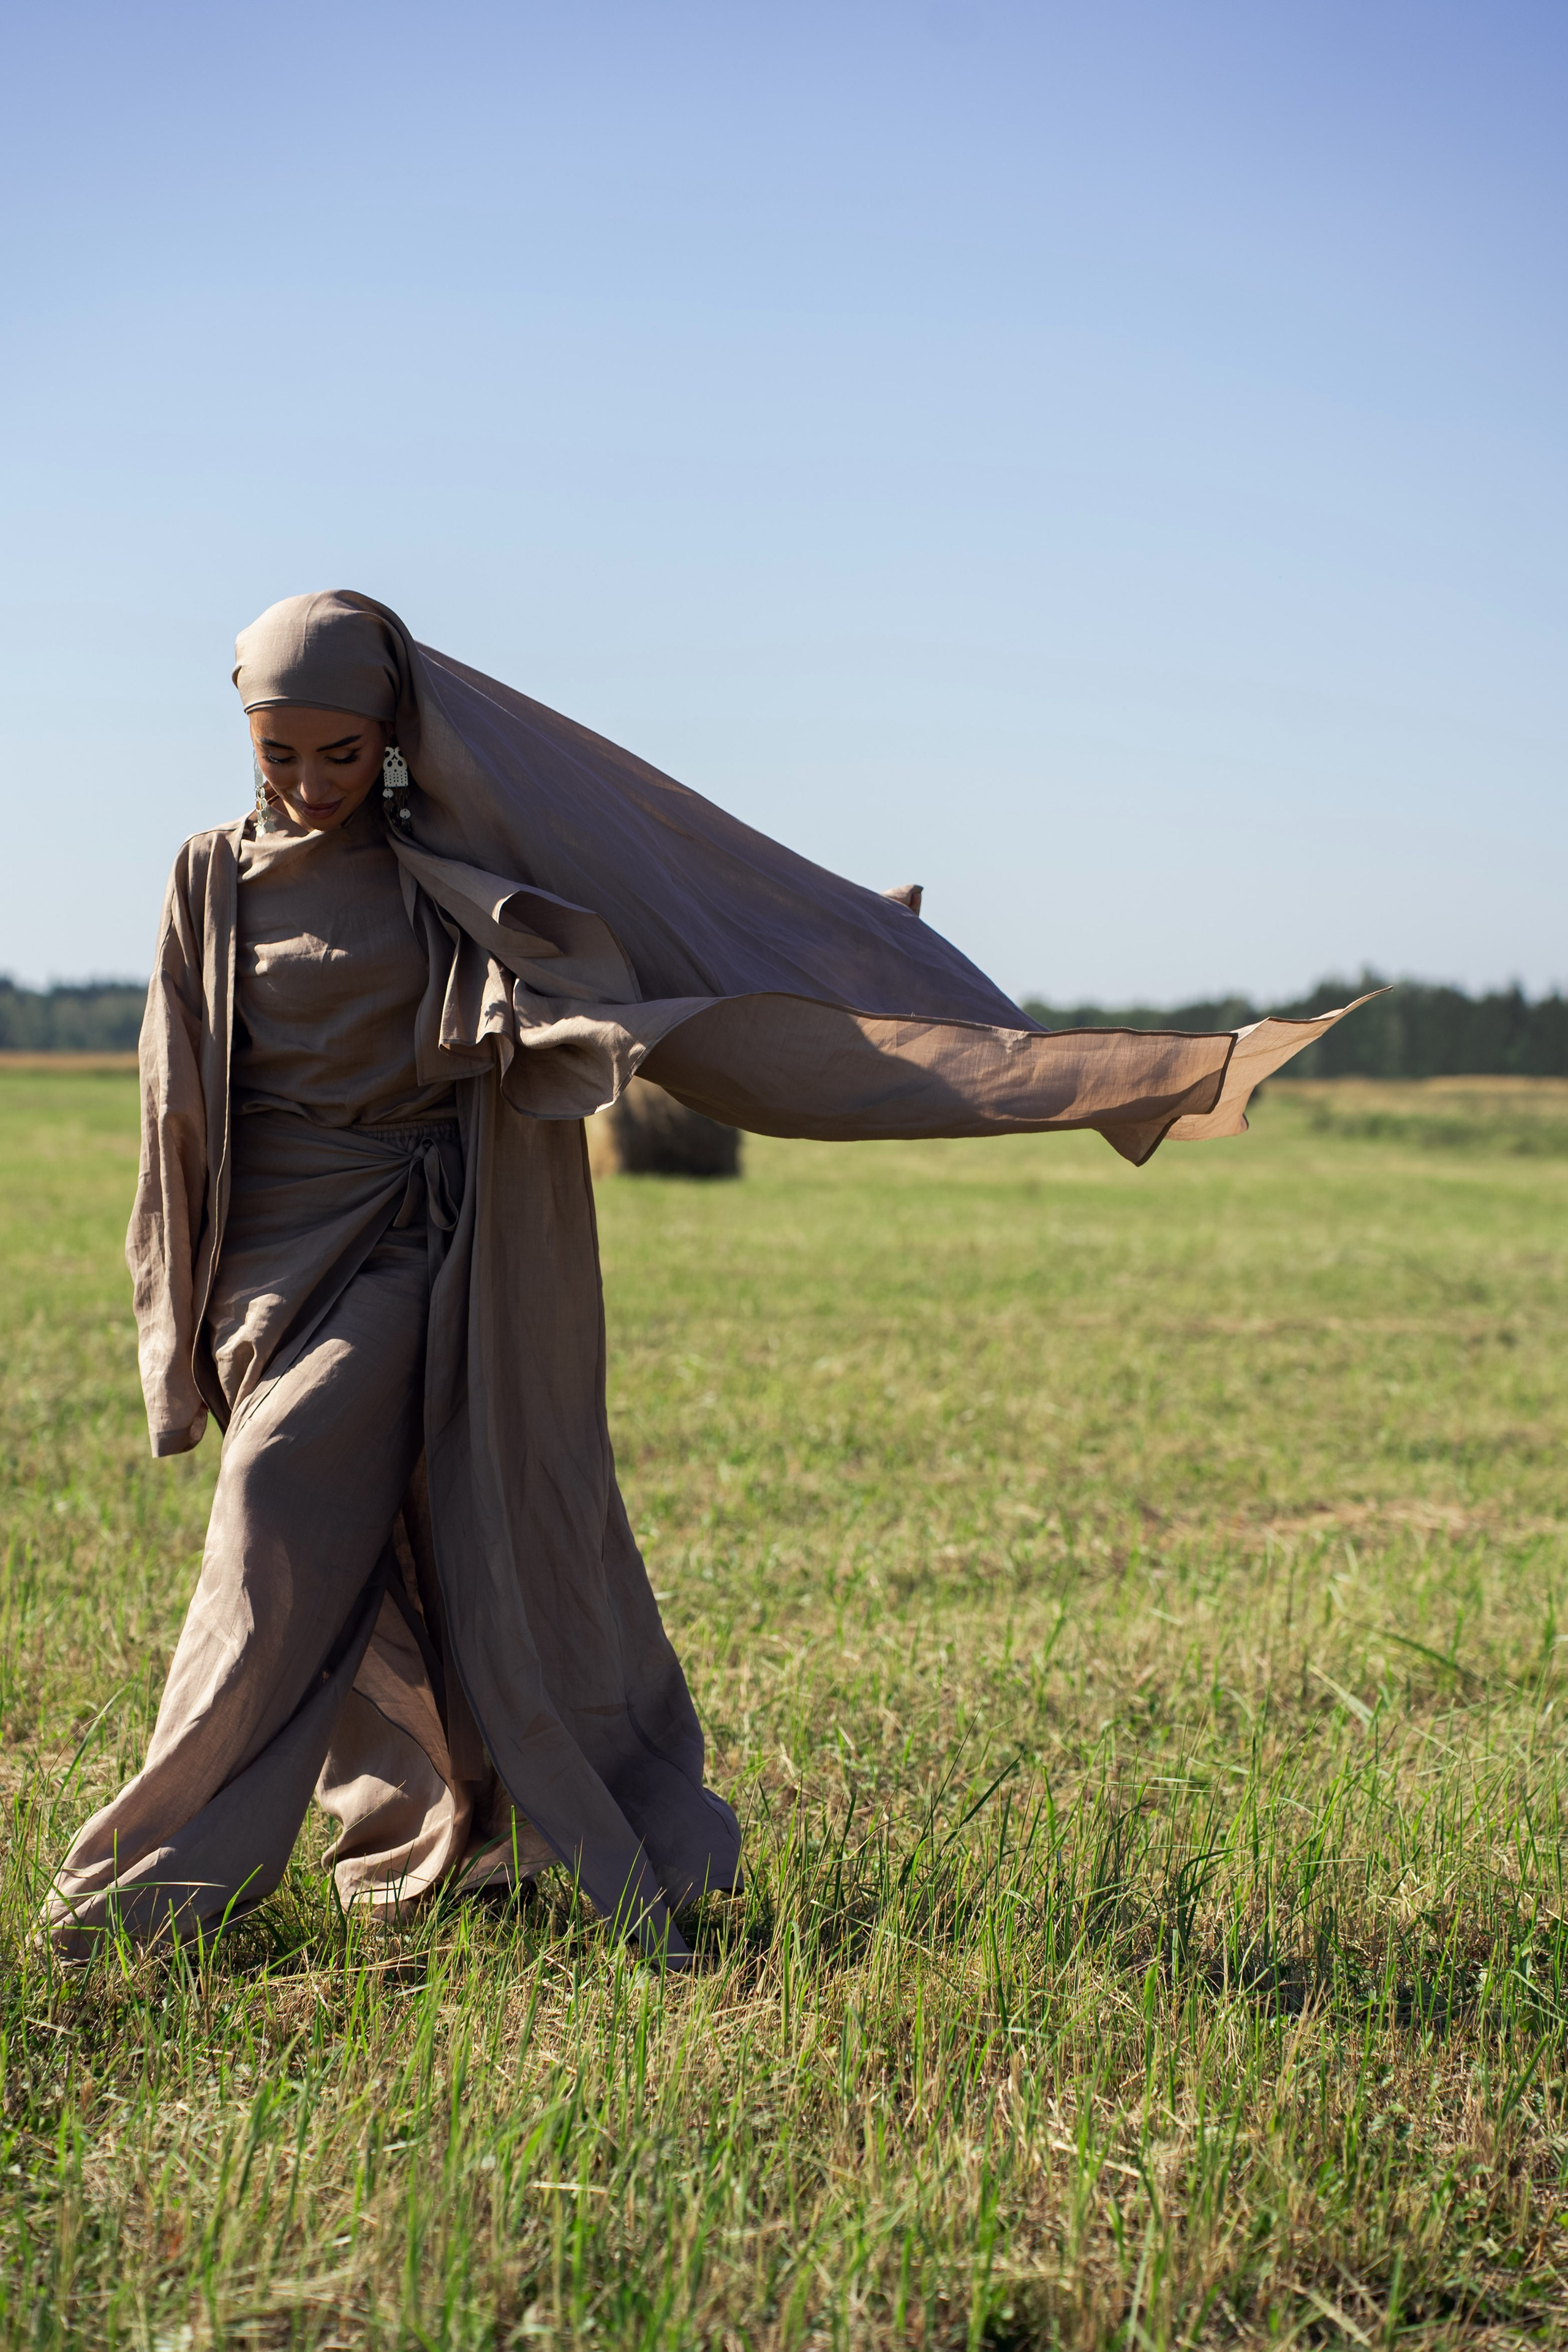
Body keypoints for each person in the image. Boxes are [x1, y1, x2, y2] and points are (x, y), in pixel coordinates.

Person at [47, 591, 1361, 1964]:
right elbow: (174, 1108)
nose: (313, 785)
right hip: (272, 1263)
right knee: (385, 1553)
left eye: (341, 754)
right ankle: (430, 1843)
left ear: (394, 737)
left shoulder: (461, 869)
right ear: (243, 738)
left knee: (279, 1516)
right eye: (281, 755)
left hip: (426, 1244)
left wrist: (827, 968)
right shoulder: (204, 877)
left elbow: (679, 921)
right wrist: (176, 1317)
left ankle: (138, 1896)